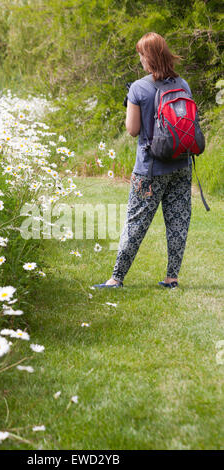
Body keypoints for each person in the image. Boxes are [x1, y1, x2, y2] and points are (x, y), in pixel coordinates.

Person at [93, 32, 193, 289]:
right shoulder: (183, 85)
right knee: (178, 222)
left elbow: (133, 129)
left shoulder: (139, 87)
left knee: (135, 223)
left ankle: (116, 278)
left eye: (141, 55)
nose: (139, 60)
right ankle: (172, 278)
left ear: (148, 58)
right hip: (181, 165)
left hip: (150, 170)